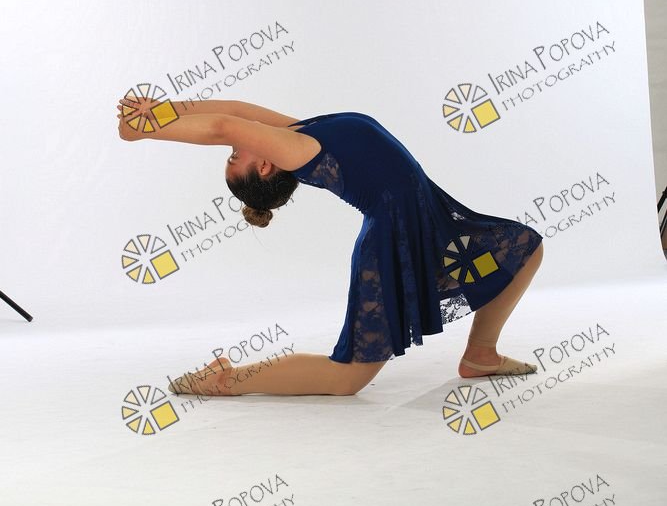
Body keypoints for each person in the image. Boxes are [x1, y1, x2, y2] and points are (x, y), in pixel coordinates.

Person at [117, 97, 544, 397]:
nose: (232, 148)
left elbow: (234, 111)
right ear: (265, 166)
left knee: (523, 248)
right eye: (234, 158)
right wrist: (143, 131)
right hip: (391, 241)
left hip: (428, 221)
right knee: (347, 378)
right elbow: (222, 126)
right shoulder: (296, 150)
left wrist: (160, 110)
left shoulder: (297, 133)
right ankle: (227, 379)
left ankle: (481, 354)